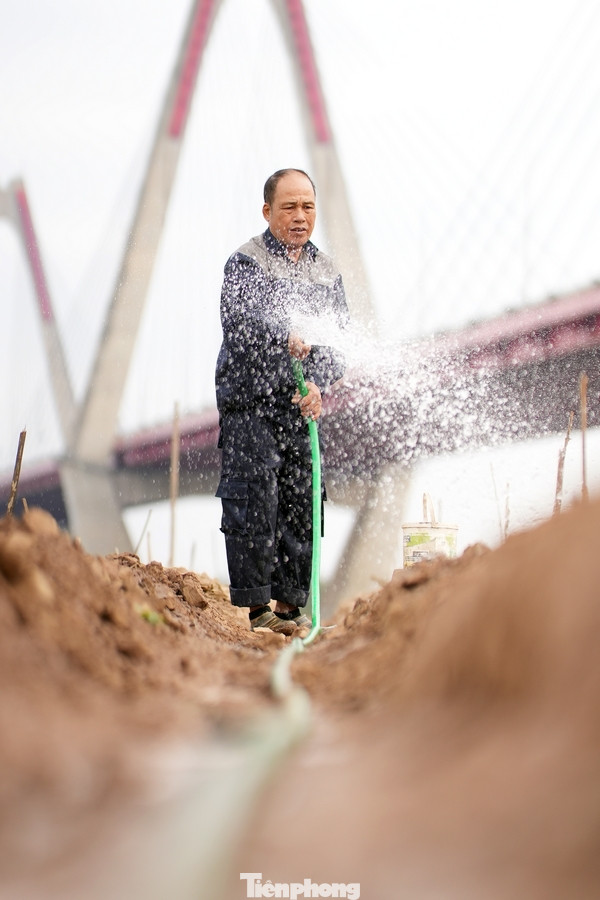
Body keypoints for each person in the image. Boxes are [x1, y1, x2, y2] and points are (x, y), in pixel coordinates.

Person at [215, 168, 349, 634]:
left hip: (298, 406)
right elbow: (239, 323)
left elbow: (338, 345)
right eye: (289, 207)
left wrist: (318, 386)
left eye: (308, 207)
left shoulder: (327, 271)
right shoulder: (246, 262)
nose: (299, 216)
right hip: (251, 404)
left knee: (302, 499)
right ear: (267, 211)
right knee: (257, 500)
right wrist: (281, 334)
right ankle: (259, 612)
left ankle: (292, 608)